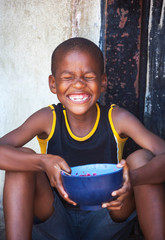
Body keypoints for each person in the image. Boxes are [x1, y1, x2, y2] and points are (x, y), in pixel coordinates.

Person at [0, 37, 165, 240]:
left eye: (88, 76)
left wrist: (132, 180)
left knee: (141, 159)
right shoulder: (47, 118)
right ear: (53, 83)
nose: (78, 84)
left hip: (106, 217)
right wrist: (41, 162)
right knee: (22, 161)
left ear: (103, 82)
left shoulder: (117, 118)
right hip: (55, 220)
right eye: (68, 77)